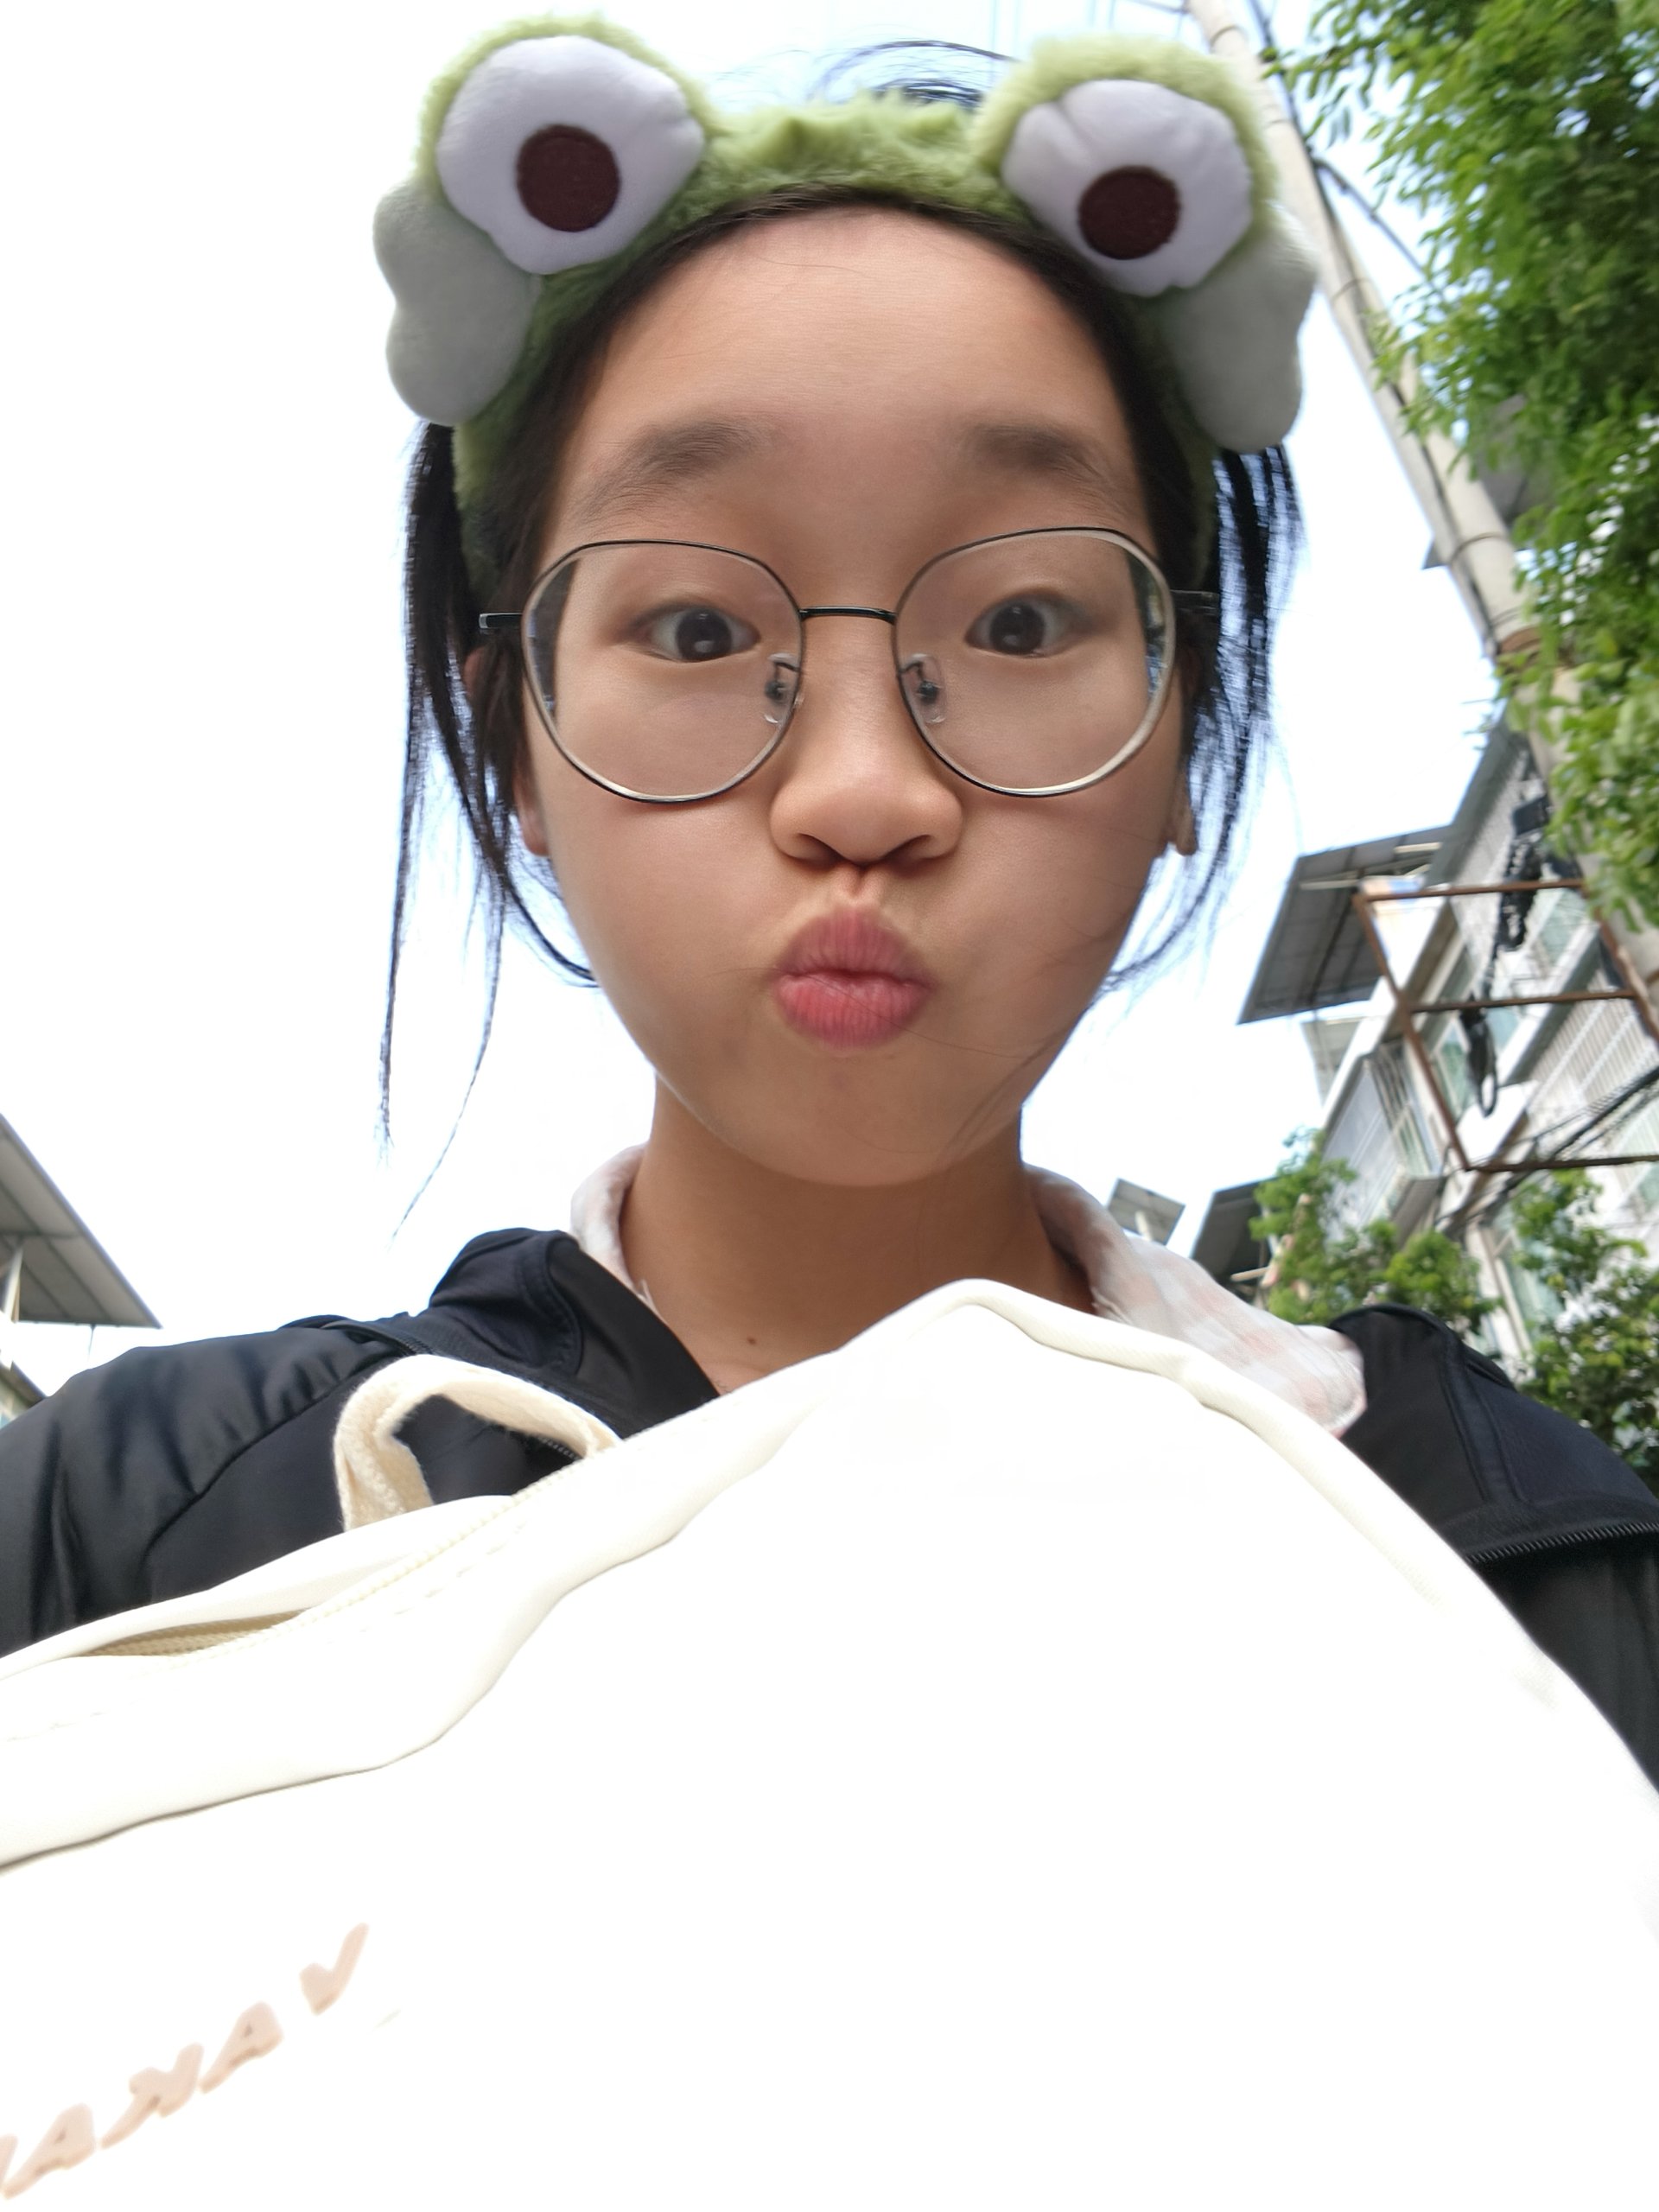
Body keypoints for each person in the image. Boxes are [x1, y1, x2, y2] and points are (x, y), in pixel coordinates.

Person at [1, 17, 1656, 1796]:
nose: (864, 791)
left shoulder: (1522, 1553)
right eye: (697, 628)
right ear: (515, 750)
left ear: (1184, 733)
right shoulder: (136, 1532)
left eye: (1021, 623)